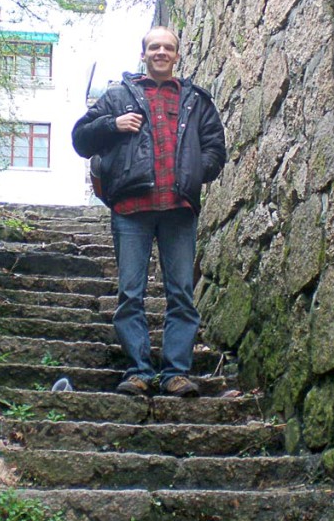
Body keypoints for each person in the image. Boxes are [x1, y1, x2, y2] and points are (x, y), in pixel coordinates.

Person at [71, 26, 226, 397]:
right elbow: (81, 139)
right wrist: (113, 124)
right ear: (143, 54)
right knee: (130, 291)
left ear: (176, 55)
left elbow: (215, 150)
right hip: (131, 207)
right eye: (154, 46)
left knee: (182, 293)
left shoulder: (196, 100)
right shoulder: (117, 96)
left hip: (178, 209)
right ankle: (139, 370)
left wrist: (191, 174)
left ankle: (175, 372)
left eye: (168, 47)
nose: (161, 52)